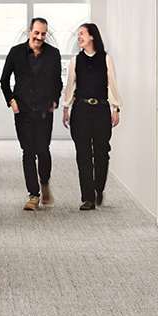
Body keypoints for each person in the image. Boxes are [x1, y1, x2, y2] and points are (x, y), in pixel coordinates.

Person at [0, 17, 62, 210]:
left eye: (43, 34)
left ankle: (44, 182)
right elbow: (4, 80)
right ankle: (33, 195)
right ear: (29, 31)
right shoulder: (16, 52)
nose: (40, 37)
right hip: (23, 111)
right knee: (28, 152)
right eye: (36, 33)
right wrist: (12, 101)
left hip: (44, 112)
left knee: (43, 150)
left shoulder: (53, 54)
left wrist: (54, 101)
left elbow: (57, 82)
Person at [61, 22, 121, 209]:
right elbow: (70, 86)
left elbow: (112, 84)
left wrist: (116, 108)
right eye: (79, 34)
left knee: (102, 153)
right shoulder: (75, 61)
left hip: (102, 111)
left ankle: (98, 188)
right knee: (83, 155)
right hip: (80, 111)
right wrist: (66, 108)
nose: (79, 37)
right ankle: (87, 197)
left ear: (92, 36)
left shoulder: (106, 59)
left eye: (82, 34)